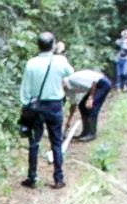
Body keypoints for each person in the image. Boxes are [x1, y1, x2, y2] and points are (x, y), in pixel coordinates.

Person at [19, 32, 74, 189]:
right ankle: (58, 178)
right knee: (56, 142)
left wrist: (26, 105)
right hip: (55, 105)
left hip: (36, 106)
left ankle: (32, 177)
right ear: (53, 44)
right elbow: (71, 74)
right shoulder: (60, 61)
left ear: (38, 45)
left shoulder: (31, 63)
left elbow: (25, 89)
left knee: (34, 143)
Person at [63, 69, 112, 143]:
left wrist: (91, 98)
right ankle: (85, 133)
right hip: (94, 87)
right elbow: (73, 105)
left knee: (91, 107)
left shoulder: (73, 80)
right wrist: (68, 121)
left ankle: (92, 134)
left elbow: (93, 82)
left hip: (102, 84)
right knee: (82, 106)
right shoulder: (68, 89)